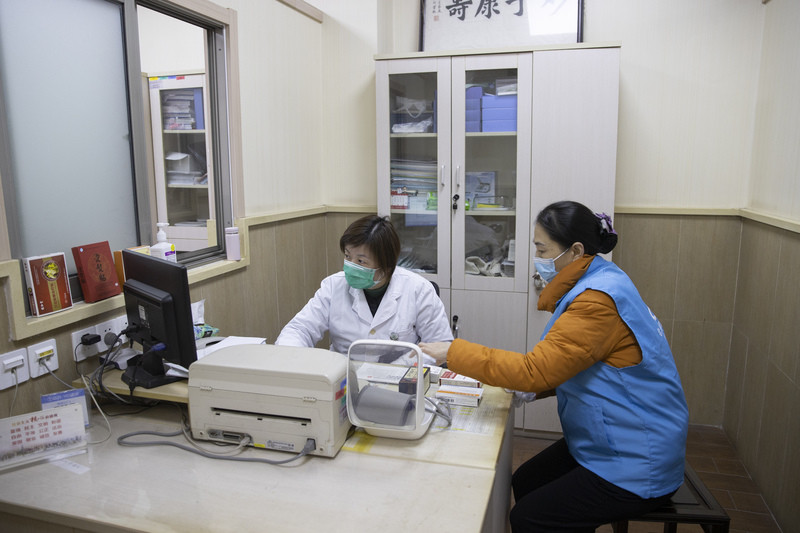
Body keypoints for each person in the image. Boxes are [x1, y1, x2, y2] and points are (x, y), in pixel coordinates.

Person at [420, 201, 689, 532]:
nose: (537, 258)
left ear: (575, 250)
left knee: (530, 517)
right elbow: (579, 363)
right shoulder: (603, 278)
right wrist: (535, 390)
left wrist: (452, 352)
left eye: (541, 249)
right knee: (526, 481)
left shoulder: (596, 301)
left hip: (637, 460)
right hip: (611, 439)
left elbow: (535, 371)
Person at [276, 215, 453, 356]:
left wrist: (409, 371)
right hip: (343, 381)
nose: (351, 265)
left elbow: (440, 347)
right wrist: (290, 358)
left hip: (401, 383)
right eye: (347, 256)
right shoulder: (333, 286)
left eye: (361, 260)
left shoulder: (418, 290)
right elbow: (299, 329)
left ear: (386, 265)